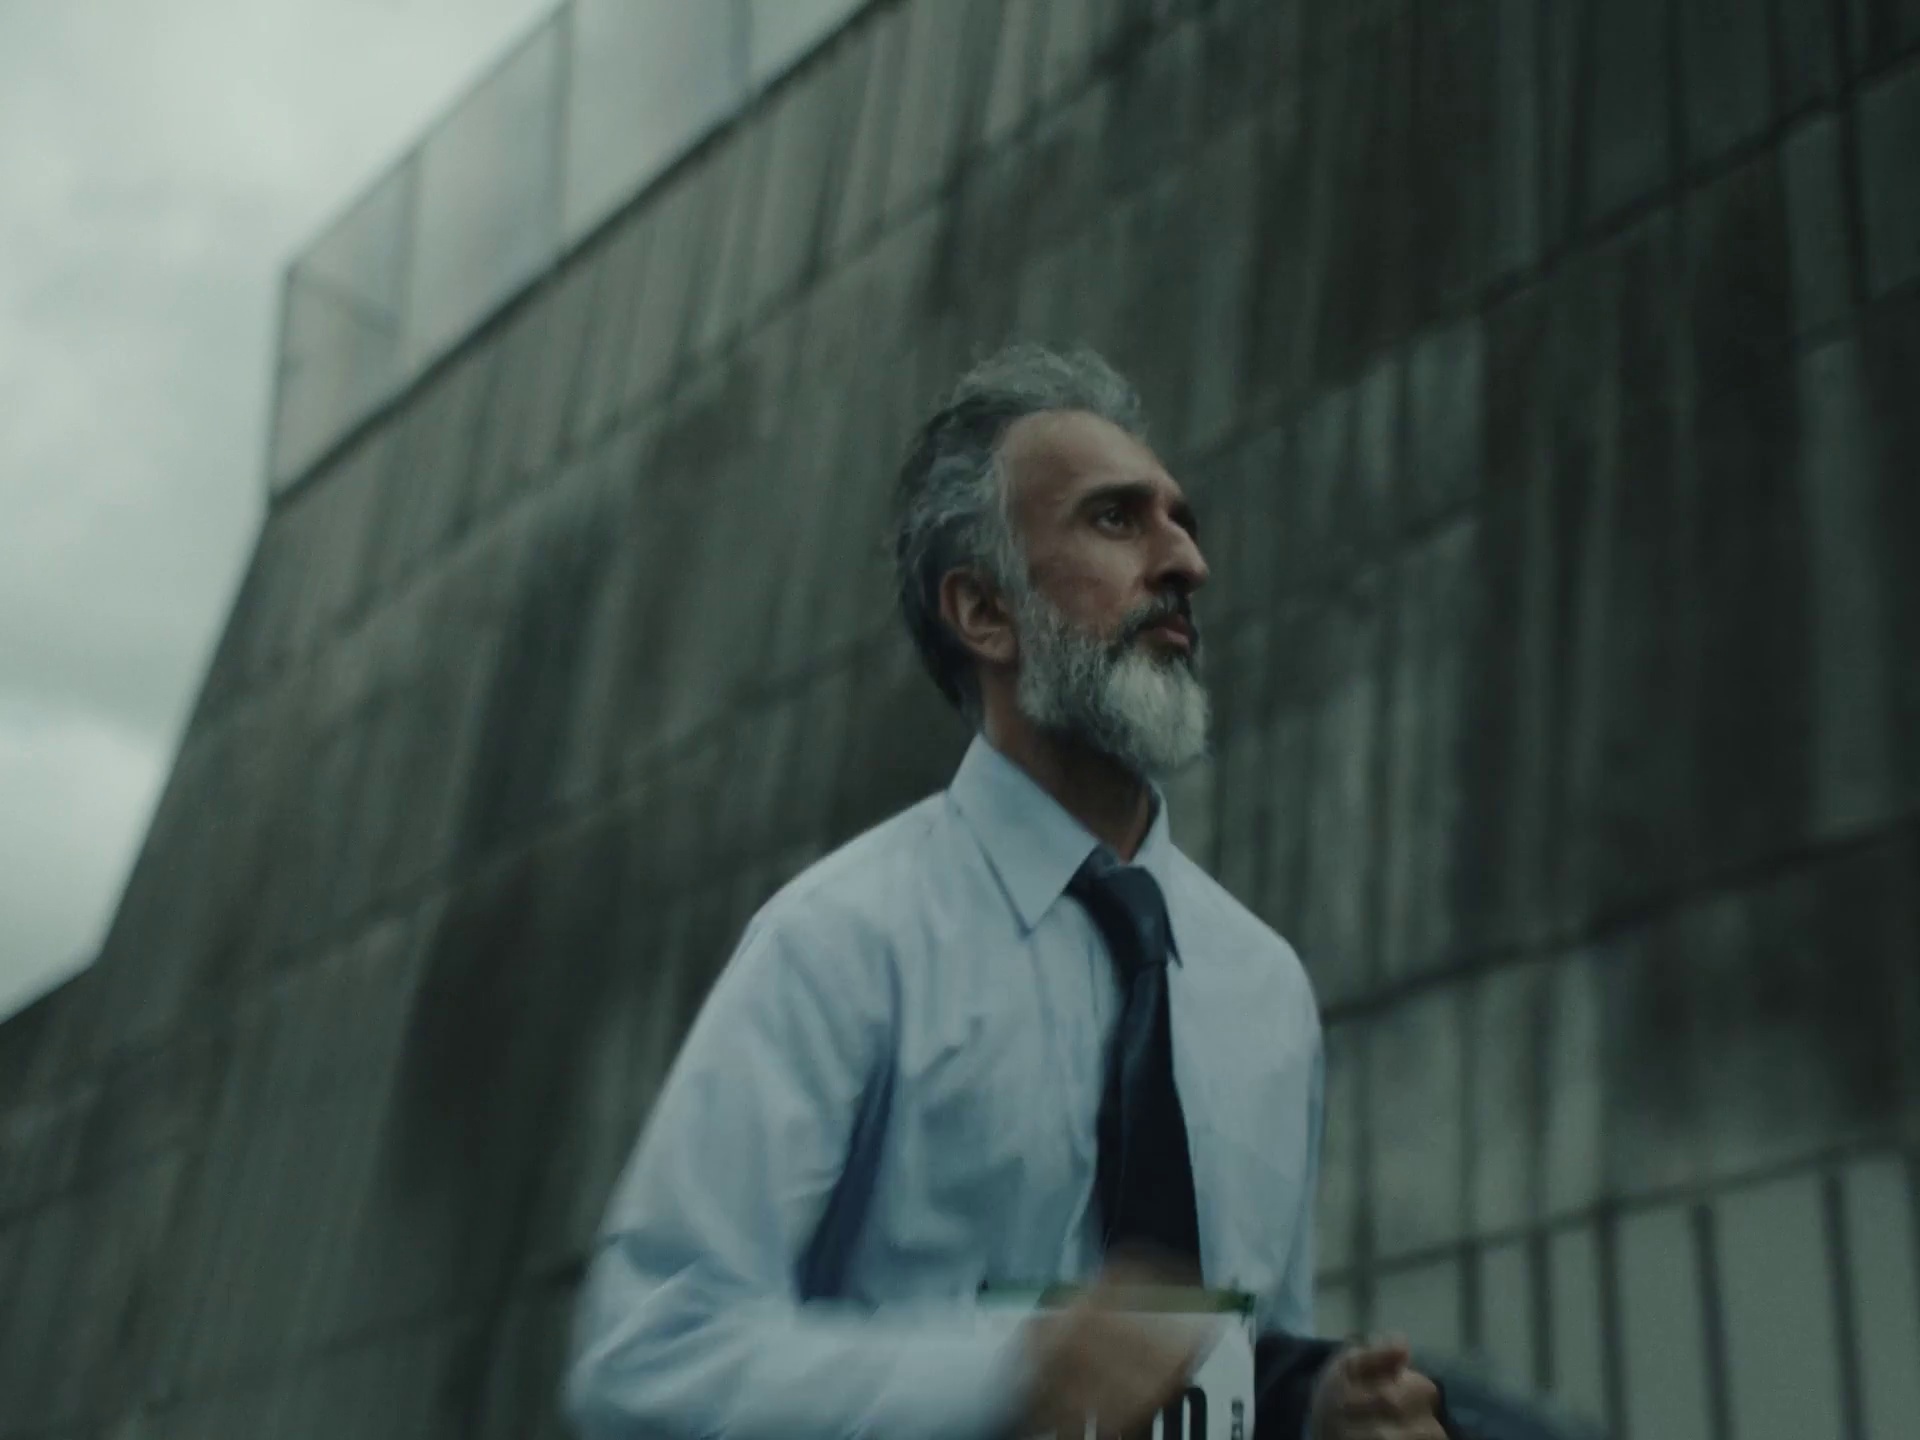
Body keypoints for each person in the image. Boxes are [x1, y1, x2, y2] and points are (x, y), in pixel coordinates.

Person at [563, 344, 1452, 1440]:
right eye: (1117, 520)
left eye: (1182, 522)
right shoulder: (839, 942)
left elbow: (1241, 1372)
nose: (1186, 562)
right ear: (985, 611)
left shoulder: (1266, 987)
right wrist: (1004, 1377)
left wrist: (1316, 1413)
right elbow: (644, 1358)